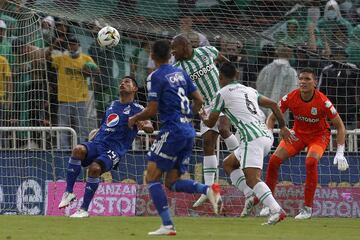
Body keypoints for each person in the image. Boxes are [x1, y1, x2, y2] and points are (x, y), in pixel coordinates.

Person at [128, 40, 222, 236]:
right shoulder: (181, 73)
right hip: (187, 129)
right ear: (168, 55)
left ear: (152, 56)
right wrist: (188, 116)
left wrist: (135, 118)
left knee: (151, 177)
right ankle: (207, 189)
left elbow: (152, 110)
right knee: (171, 182)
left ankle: (168, 225)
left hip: (172, 130)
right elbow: (200, 99)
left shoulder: (156, 76)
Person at [200, 62, 292, 224]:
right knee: (229, 164)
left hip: (252, 139)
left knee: (252, 178)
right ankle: (250, 195)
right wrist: (283, 126)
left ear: (220, 77)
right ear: (236, 75)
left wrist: (201, 115)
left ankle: (277, 210)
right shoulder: (249, 90)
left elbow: (210, 122)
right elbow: (272, 104)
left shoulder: (222, 93)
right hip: (265, 135)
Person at [259, 68, 349, 219]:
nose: (303, 82)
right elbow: (272, 116)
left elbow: (340, 126)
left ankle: (307, 209)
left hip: (318, 136)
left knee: (311, 161)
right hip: (298, 134)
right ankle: (268, 204)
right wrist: (269, 134)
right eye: (301, 79)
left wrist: (340, 152)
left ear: (314, 83)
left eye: (307, 79)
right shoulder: (291, 97)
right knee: (274, 160)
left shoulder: (323, 102)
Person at [58, 76, 154, 217]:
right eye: (122, 81)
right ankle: (69, 192)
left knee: (95, 169)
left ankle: (83, 210)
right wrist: (96, 134)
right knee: (78, 150)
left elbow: (150, 127)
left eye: (127, 82)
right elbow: (104, 125)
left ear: (134, 89)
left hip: (113, 150)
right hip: (98, 143)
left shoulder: (138, 109)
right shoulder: (112, 105)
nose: (122, 83)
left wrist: (144, 125)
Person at [171, 35, 239, 207]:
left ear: (185, 46)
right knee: (207, 143)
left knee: (224, 129)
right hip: (204, 105)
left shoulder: (205, 51)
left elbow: (224, 62)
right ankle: (210, 190)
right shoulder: (177, 67)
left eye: (174, 48)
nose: (172, 51)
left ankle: (242, 155)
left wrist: (231, 81)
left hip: (222, 97)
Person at [50, 36, 98, 148]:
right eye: (69, 44)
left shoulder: (86, 59)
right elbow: (47, 57)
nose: (71, 46)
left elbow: (97, 71)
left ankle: (81, 148)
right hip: (64, 98)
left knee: (81, 127)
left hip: (80, 98)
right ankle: (63, 150)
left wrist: (88, 72)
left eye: (74, 44)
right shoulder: (61, 58)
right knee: (63, 127)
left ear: (78, 46)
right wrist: (54, 45)